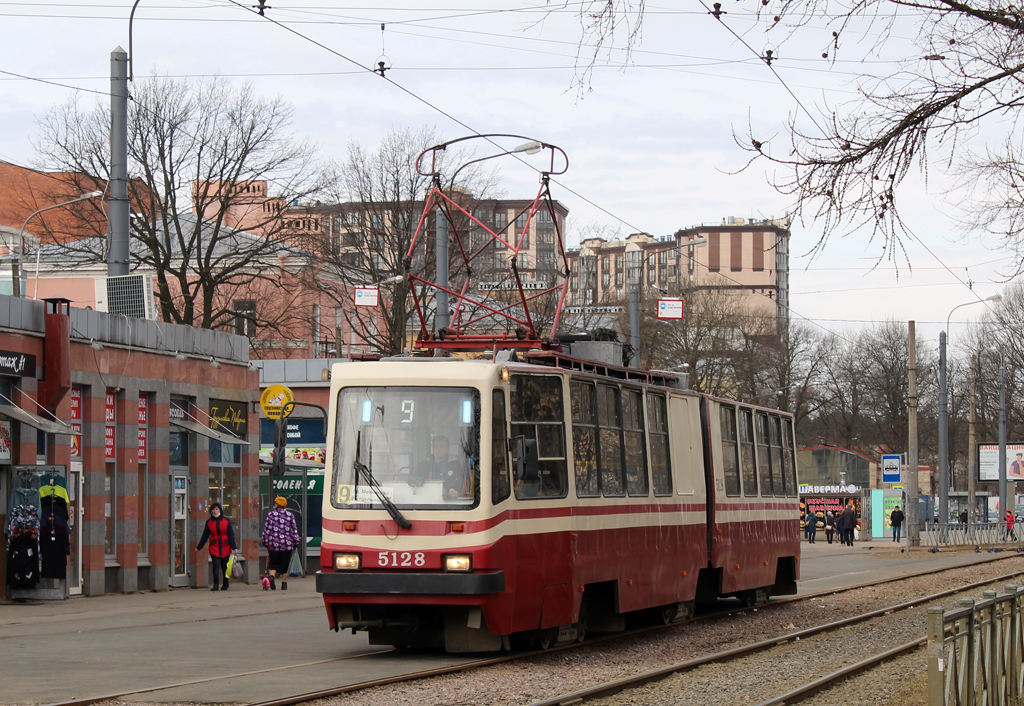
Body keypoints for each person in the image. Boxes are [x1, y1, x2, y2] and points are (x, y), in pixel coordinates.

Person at [261, 496, 300, 590]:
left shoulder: (271, 515)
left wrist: (265, 541)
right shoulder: (290, 515)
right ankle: (284, 583)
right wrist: (296, 541)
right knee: (284, 563)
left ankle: (271, 577)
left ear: (277, 504)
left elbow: (266, 529)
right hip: (286, 544)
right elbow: (294, 530)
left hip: (273, 544)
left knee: (273, 563)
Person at [196, 502, 236, 591]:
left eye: (217, 509)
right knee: (215, 566)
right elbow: (205, 535)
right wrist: (199, 547)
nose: (215, 511)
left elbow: (231, 534)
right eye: (213, 509)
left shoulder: (226, 521)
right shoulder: (209, 522)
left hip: (225, 546)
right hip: (214, 546)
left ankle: (225, 584)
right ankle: (216, 584)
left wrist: (234, 547)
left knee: (224, 566)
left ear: (220, 510)